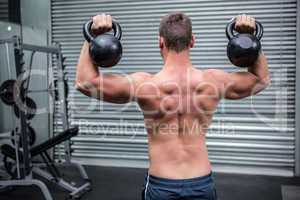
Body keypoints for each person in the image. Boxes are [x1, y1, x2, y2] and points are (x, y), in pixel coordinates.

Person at [75, 12, 270, 200]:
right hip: (201, 182)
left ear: (160, 41)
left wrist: (92, 37)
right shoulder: (214, 81)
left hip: (161, 185)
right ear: (192, 41)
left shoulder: (143, 84)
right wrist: (250, 37)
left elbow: (85, 83)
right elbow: (260, 79)